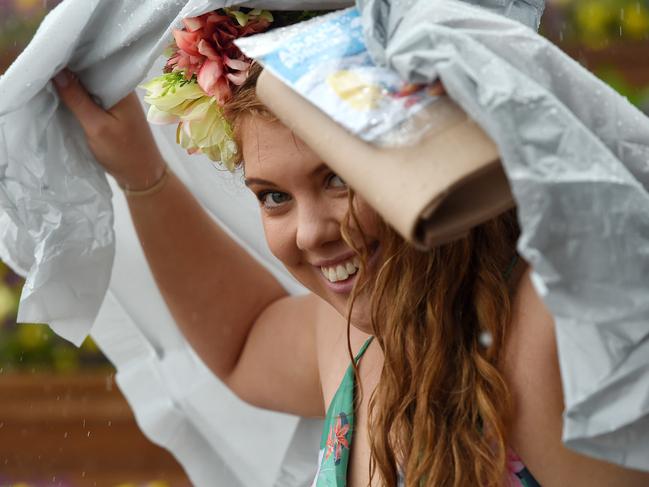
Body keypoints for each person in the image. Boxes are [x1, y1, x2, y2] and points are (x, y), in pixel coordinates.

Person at [52, 60, 649, 487]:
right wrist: (142, 175)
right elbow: (243, 339)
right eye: (272, 197)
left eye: (337, 178)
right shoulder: (354, 338)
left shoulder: (542, 335)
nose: (310, 233)